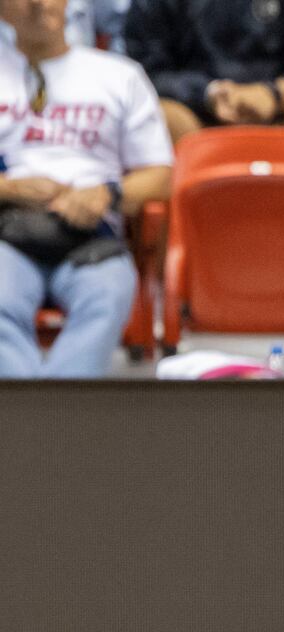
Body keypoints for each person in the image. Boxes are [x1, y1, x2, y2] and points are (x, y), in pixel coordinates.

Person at [0, 0, 170, 379]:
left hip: (93, 236)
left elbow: (160, 175)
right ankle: (36, 420)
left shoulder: (118, 75)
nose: (36, 4)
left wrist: (104, 194)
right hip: (7, 235)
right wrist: (8, 189)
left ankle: (50, 419)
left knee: (107, 297)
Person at [121, 0, 284, 190]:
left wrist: (275, 94)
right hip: (195, 109)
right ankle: (182, 242)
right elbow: (146, 69)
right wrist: (209, 93)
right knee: (164, 118)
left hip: (283, 109)